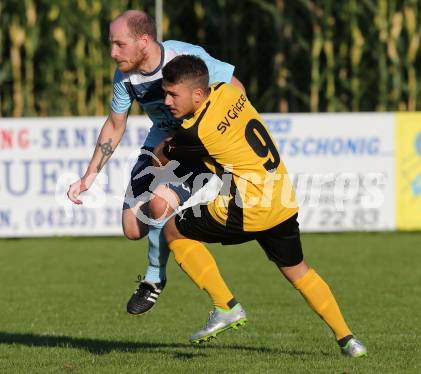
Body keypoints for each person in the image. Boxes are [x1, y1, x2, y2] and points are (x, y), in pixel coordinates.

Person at [147, 55, 367, 357]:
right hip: (280, 197)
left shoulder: (196, 132)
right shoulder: (229, 91)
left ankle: (226, 305)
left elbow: (161, 157)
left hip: (247, 207)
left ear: (197, 94)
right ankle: (349, 340)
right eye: (165, 93)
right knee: (298, 271)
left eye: (173, 94)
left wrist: (164, 141)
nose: (167, 100)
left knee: (173, 230)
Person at [66, 10, 245, 316]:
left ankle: (152, 278)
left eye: (119, 44)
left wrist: (218, 139)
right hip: (159, 145)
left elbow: (236, 89)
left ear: (144, 41)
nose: (112, 53)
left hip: (192, 145)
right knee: (133, 227)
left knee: (160, 204)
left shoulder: (184, 56)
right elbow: (114, 125)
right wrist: (88, 177)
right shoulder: (125, 77)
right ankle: (175, 223)